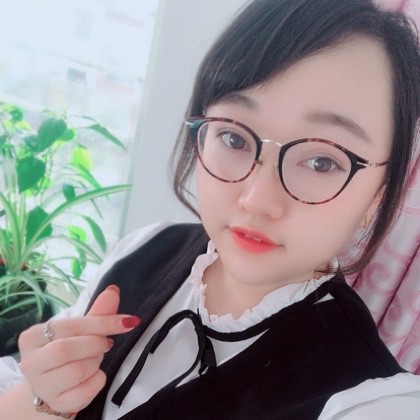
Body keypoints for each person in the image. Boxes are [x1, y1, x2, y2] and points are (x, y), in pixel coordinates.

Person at [1, 0, 420, 418]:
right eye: (234, 138)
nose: (257, 200)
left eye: (322, 162)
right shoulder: (146, 248)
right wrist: (47, 398)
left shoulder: (370, 402)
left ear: (378, 196)